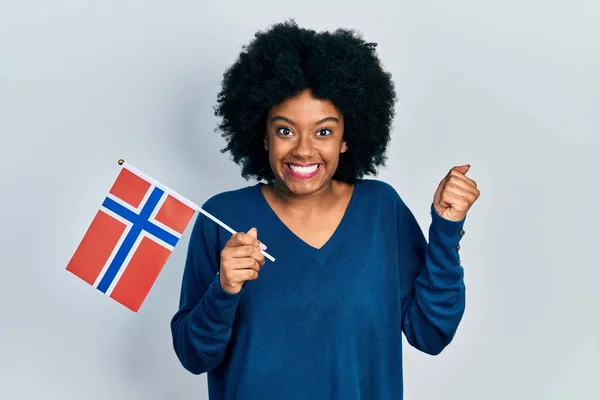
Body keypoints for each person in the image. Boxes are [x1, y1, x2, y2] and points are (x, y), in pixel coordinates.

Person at [170, 20, 480, 399]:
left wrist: (446, 230)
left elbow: (430, 332)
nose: (303, 150)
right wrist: (224, 288)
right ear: (262, 135)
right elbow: (193, 355)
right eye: (285, 130)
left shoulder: (381, 210)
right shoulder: (221, 217)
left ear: (347, 139)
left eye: (323, 131)